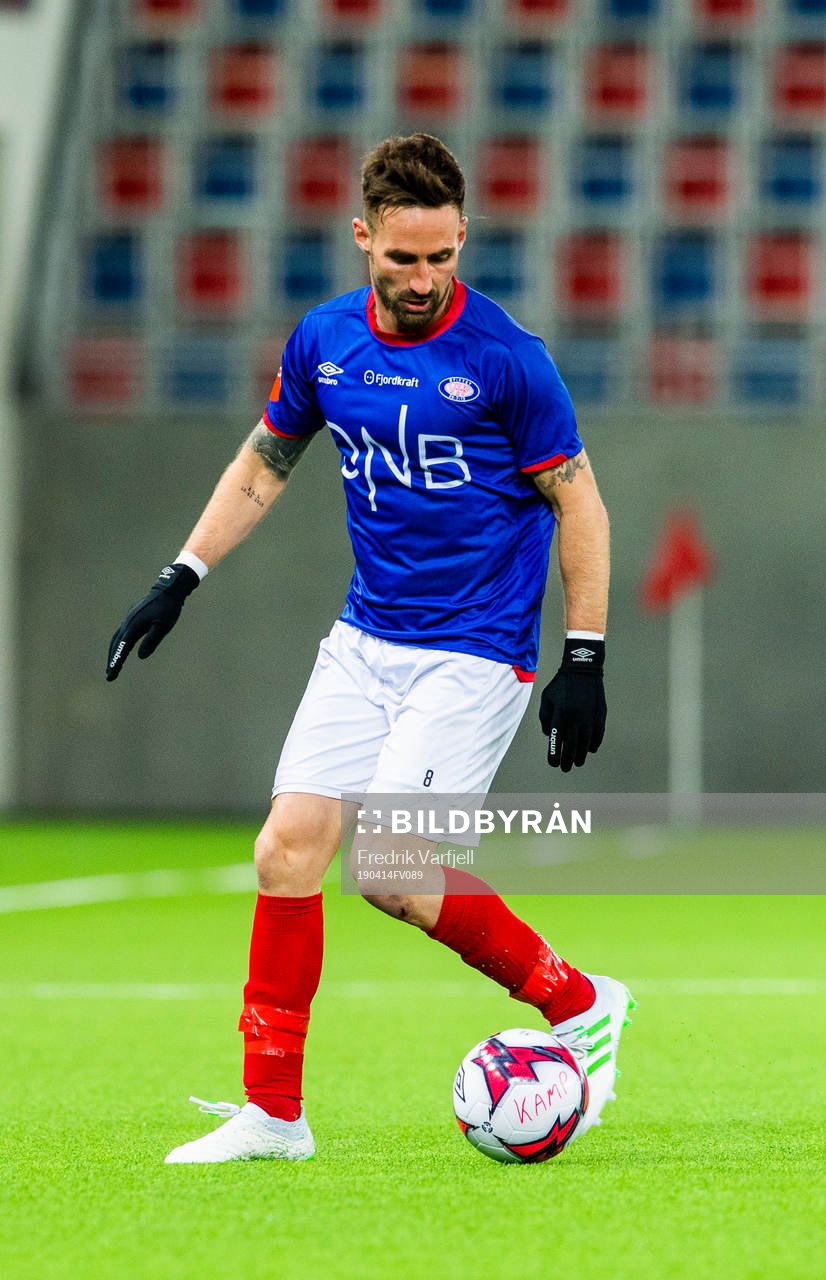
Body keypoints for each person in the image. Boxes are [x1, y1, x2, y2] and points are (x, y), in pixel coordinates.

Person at [106, 134, 633, 1164]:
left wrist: (584, 654)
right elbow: (264, 465)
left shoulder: (507, 359)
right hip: (365, 638)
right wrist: (182, 574)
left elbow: (582, 502)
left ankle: (580, 1001)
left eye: (443, 257)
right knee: (285, 849)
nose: (426, 279)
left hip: (473, 649)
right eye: (403, 258)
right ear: (363, 240)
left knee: (391, 870)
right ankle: (274, 1115)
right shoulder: (323, 341)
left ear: (462, 240)